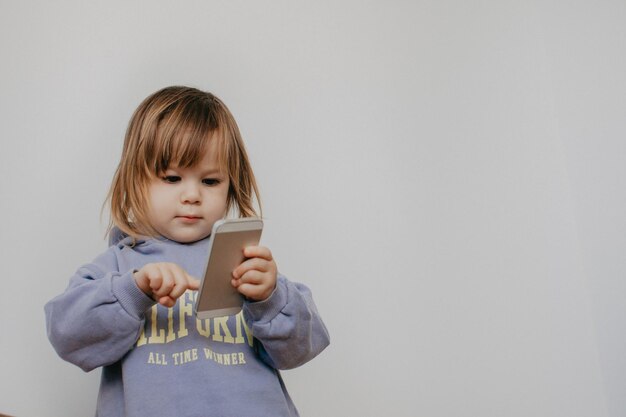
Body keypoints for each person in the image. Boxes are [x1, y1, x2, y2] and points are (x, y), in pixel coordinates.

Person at [44, 86, 330, 417]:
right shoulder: (118, 265)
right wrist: (133, 290)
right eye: (172, 177)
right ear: (134, 180)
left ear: (231, 185)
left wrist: (271, 297)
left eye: (210, 182)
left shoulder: (241, 258)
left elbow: (303, 348)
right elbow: (66, 335)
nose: (192, 195)